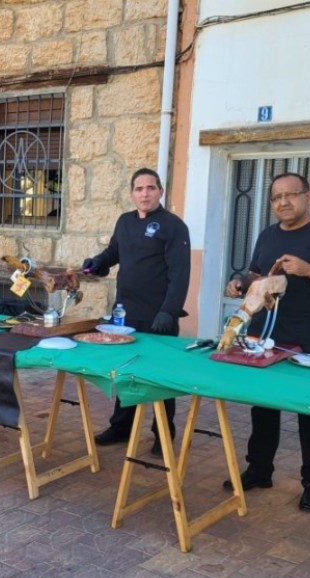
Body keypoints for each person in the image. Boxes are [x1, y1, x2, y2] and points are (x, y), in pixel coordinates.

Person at [223, 172, 310, 513]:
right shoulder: (267, 236)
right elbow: (257, 276)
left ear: (307, 196)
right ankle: (259, 469)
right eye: (276, 197)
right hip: (266, 335)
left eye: (291, 195)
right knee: (263, 405)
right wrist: (240, 283)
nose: (283, 202)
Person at [81, 168, 191, 456]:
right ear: (132, 193)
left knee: (159, 377)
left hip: (159, 317)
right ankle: (122, 427)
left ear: (160, 192)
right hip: (125, 314)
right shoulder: (125, 222)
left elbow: (180, 274)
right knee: (126, 371)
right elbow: (113, 253)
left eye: (151, 188)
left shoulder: (173, 226)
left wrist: (169, 311)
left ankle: (163, 434)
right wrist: (96, 263)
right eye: (139, 188)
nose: (145, 193)